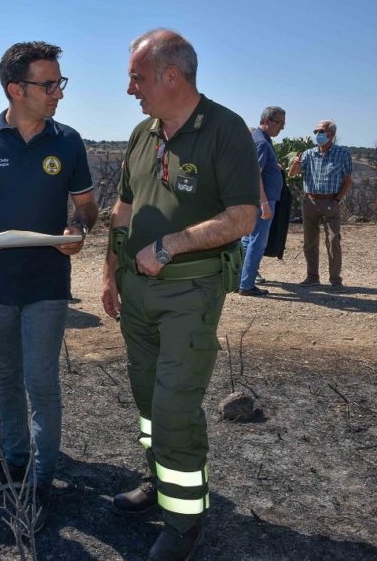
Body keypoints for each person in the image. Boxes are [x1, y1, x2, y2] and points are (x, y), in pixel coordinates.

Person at [101, 29, 259, 560]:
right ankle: (159, 481)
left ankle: (184, 520)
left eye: (137, 78)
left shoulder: (225, 129)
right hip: (135, 291)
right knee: (148, 403)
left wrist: (171, 244)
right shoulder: (143, 134)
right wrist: (108, 271)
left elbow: (243, 216)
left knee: (173, 407)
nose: (130, 89)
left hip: (189, 291)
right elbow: (122, 208)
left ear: (172, 76)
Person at [0, 41, 98, 533]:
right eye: (48, 84)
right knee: (6, 380)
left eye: (60, 83)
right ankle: (13, 463)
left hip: (47, 284)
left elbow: (87, 208)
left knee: (41, 382)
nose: (58, 92)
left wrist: (78, 230)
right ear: (16, 89)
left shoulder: (68, 141)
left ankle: (41, 479)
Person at [288, 120, 353, 290]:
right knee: (310, 241)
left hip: (331, 201)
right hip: (310, 200)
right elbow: (292, 174)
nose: (317, 134)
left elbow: (348, 180)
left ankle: (335, 279)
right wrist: (295, 163)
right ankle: (312, 277)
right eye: (315, 131)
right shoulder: (308, 154)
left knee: (333, 240)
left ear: (331, 134)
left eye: (321, 131)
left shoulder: (342, 153)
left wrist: (337, 199)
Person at [238, 106, 286, 296]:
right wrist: (264, 202)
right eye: (279, 123)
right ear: (267, 121)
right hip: (262, 201)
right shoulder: (261, 142)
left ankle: (241, 279)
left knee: (248, 240)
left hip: (257, 200)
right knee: (257, 242)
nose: (282, 128)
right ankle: (247, 284)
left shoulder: (260, 139)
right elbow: (254, 173)